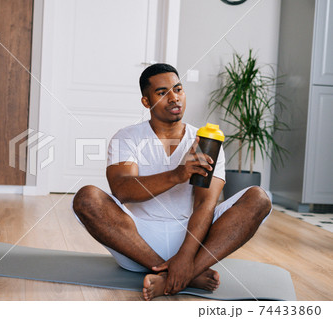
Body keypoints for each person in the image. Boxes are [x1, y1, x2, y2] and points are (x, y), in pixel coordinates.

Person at [72, 63, 272, 301]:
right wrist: (178, 174)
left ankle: (179, 274)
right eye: (162, 92)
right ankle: (177, 273)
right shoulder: (127, 137)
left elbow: (204, 205)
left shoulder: (206, 140)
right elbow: (122, 190)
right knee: (87, 197)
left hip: (194, 239)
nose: (174, 98)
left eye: (178, 89)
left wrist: (187, 256)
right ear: (146, 102)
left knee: (259, 198)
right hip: (136, 242)